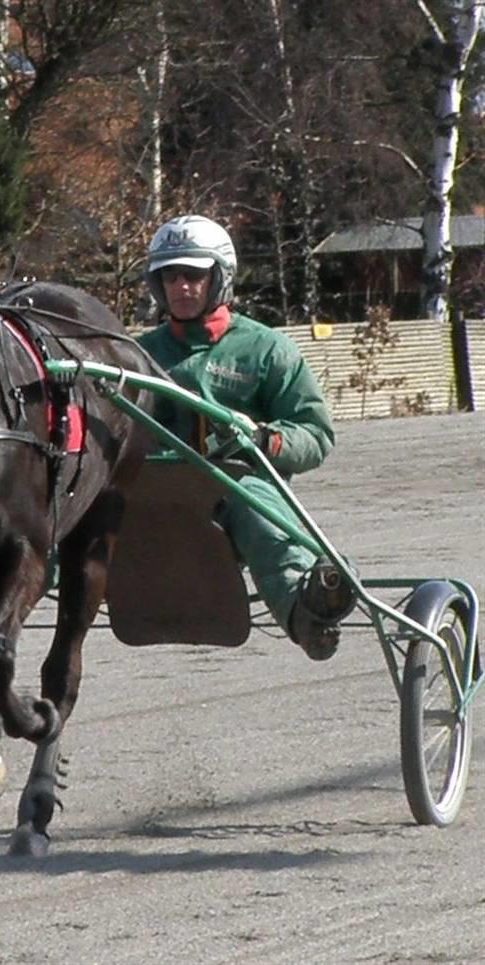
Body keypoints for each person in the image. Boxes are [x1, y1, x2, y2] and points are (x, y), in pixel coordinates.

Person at [137, 214, 355, 660]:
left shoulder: (268, 350)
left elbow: (315, 435)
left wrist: (261, 436)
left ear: (220, 278)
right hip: (149, 491)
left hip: (233, 488)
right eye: (170, 276)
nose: (181, 287)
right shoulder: (136, 353)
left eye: (193, 275)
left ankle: (307, 611)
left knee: (258, 510)